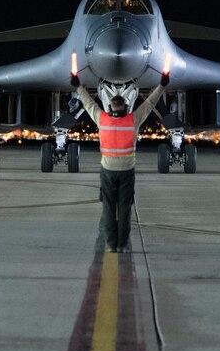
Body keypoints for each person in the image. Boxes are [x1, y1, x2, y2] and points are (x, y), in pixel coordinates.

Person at [71, 72, 168, 252]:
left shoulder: (103, 119)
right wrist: (162, 85)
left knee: (108, 208)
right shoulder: (132, 120)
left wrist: (78, 86)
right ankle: (122, 245)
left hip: (107, 169)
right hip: (126, 170)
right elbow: (149, 104)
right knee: (124, 209)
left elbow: (88, 103)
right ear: (125, 107)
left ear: (110, 107)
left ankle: (110, 245)